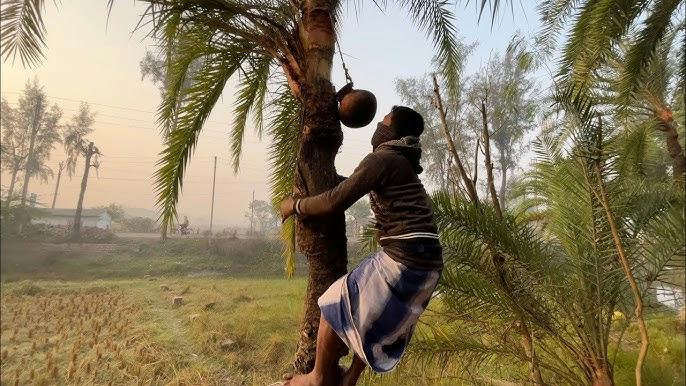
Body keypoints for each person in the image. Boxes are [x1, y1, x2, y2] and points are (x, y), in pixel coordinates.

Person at [279, 106, 442, 386]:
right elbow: (352, 187)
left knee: (336, 301)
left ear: (393, 131)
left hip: (405, 257)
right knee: (378, 322)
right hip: (428, 263)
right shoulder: (401, 163)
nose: (379, 123)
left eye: (385, 121)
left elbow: (334, 202)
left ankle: (316, 379)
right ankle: (350, 379)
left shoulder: (383, 158)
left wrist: (294, 205)